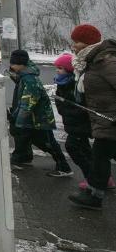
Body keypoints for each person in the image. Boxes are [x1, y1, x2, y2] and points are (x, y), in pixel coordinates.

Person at [67, 24, 116, 210]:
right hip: (104, 119)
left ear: (88, 42)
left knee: (100, 156)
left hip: (111, 121)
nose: (74, 46)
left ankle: (95, 196)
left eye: (77, 42)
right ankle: (94, 193)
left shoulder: (106, 61)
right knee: (101, 156)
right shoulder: (92, 60)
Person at [7, 49, 72, 177]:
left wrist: (16, 118)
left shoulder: (29, 79)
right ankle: (22, 157)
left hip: (39, 118)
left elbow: (28, 102)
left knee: (47, 142)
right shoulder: (24, 76)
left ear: (21, 64)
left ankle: (64, 167)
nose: (11, 66)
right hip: (33, 118)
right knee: (25, 136)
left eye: (13, 64)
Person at [54, 53, 103, 189]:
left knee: (73, 147)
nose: (57, 70)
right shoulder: (61, 84)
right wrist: (64, 109)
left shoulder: (76, 85)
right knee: (86, 151)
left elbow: (83, 107)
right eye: (56, 67)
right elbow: (60, 105)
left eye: (60, 68)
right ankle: (102, 177)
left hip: (81, 125)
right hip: (72, 124)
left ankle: (92, 179)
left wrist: (68, 110)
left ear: (69, 70)